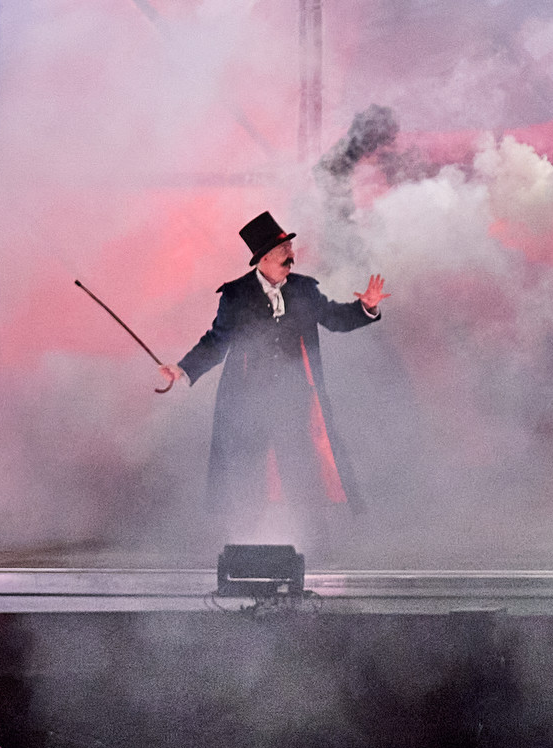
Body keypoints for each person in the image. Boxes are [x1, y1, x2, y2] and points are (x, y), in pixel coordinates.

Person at [162, 212, 388, 526]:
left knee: (300, 470)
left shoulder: (305, 290)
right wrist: (183, 369)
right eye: (285, 253)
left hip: (294, 398)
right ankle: (246, 539)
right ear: (265, 257)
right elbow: (217, 340)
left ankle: (310, 539)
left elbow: (334, 318)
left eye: (291, 251)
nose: (291, 257)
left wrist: (368, 307)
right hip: (248, 399)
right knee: (248, 473)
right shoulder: (236, 294)